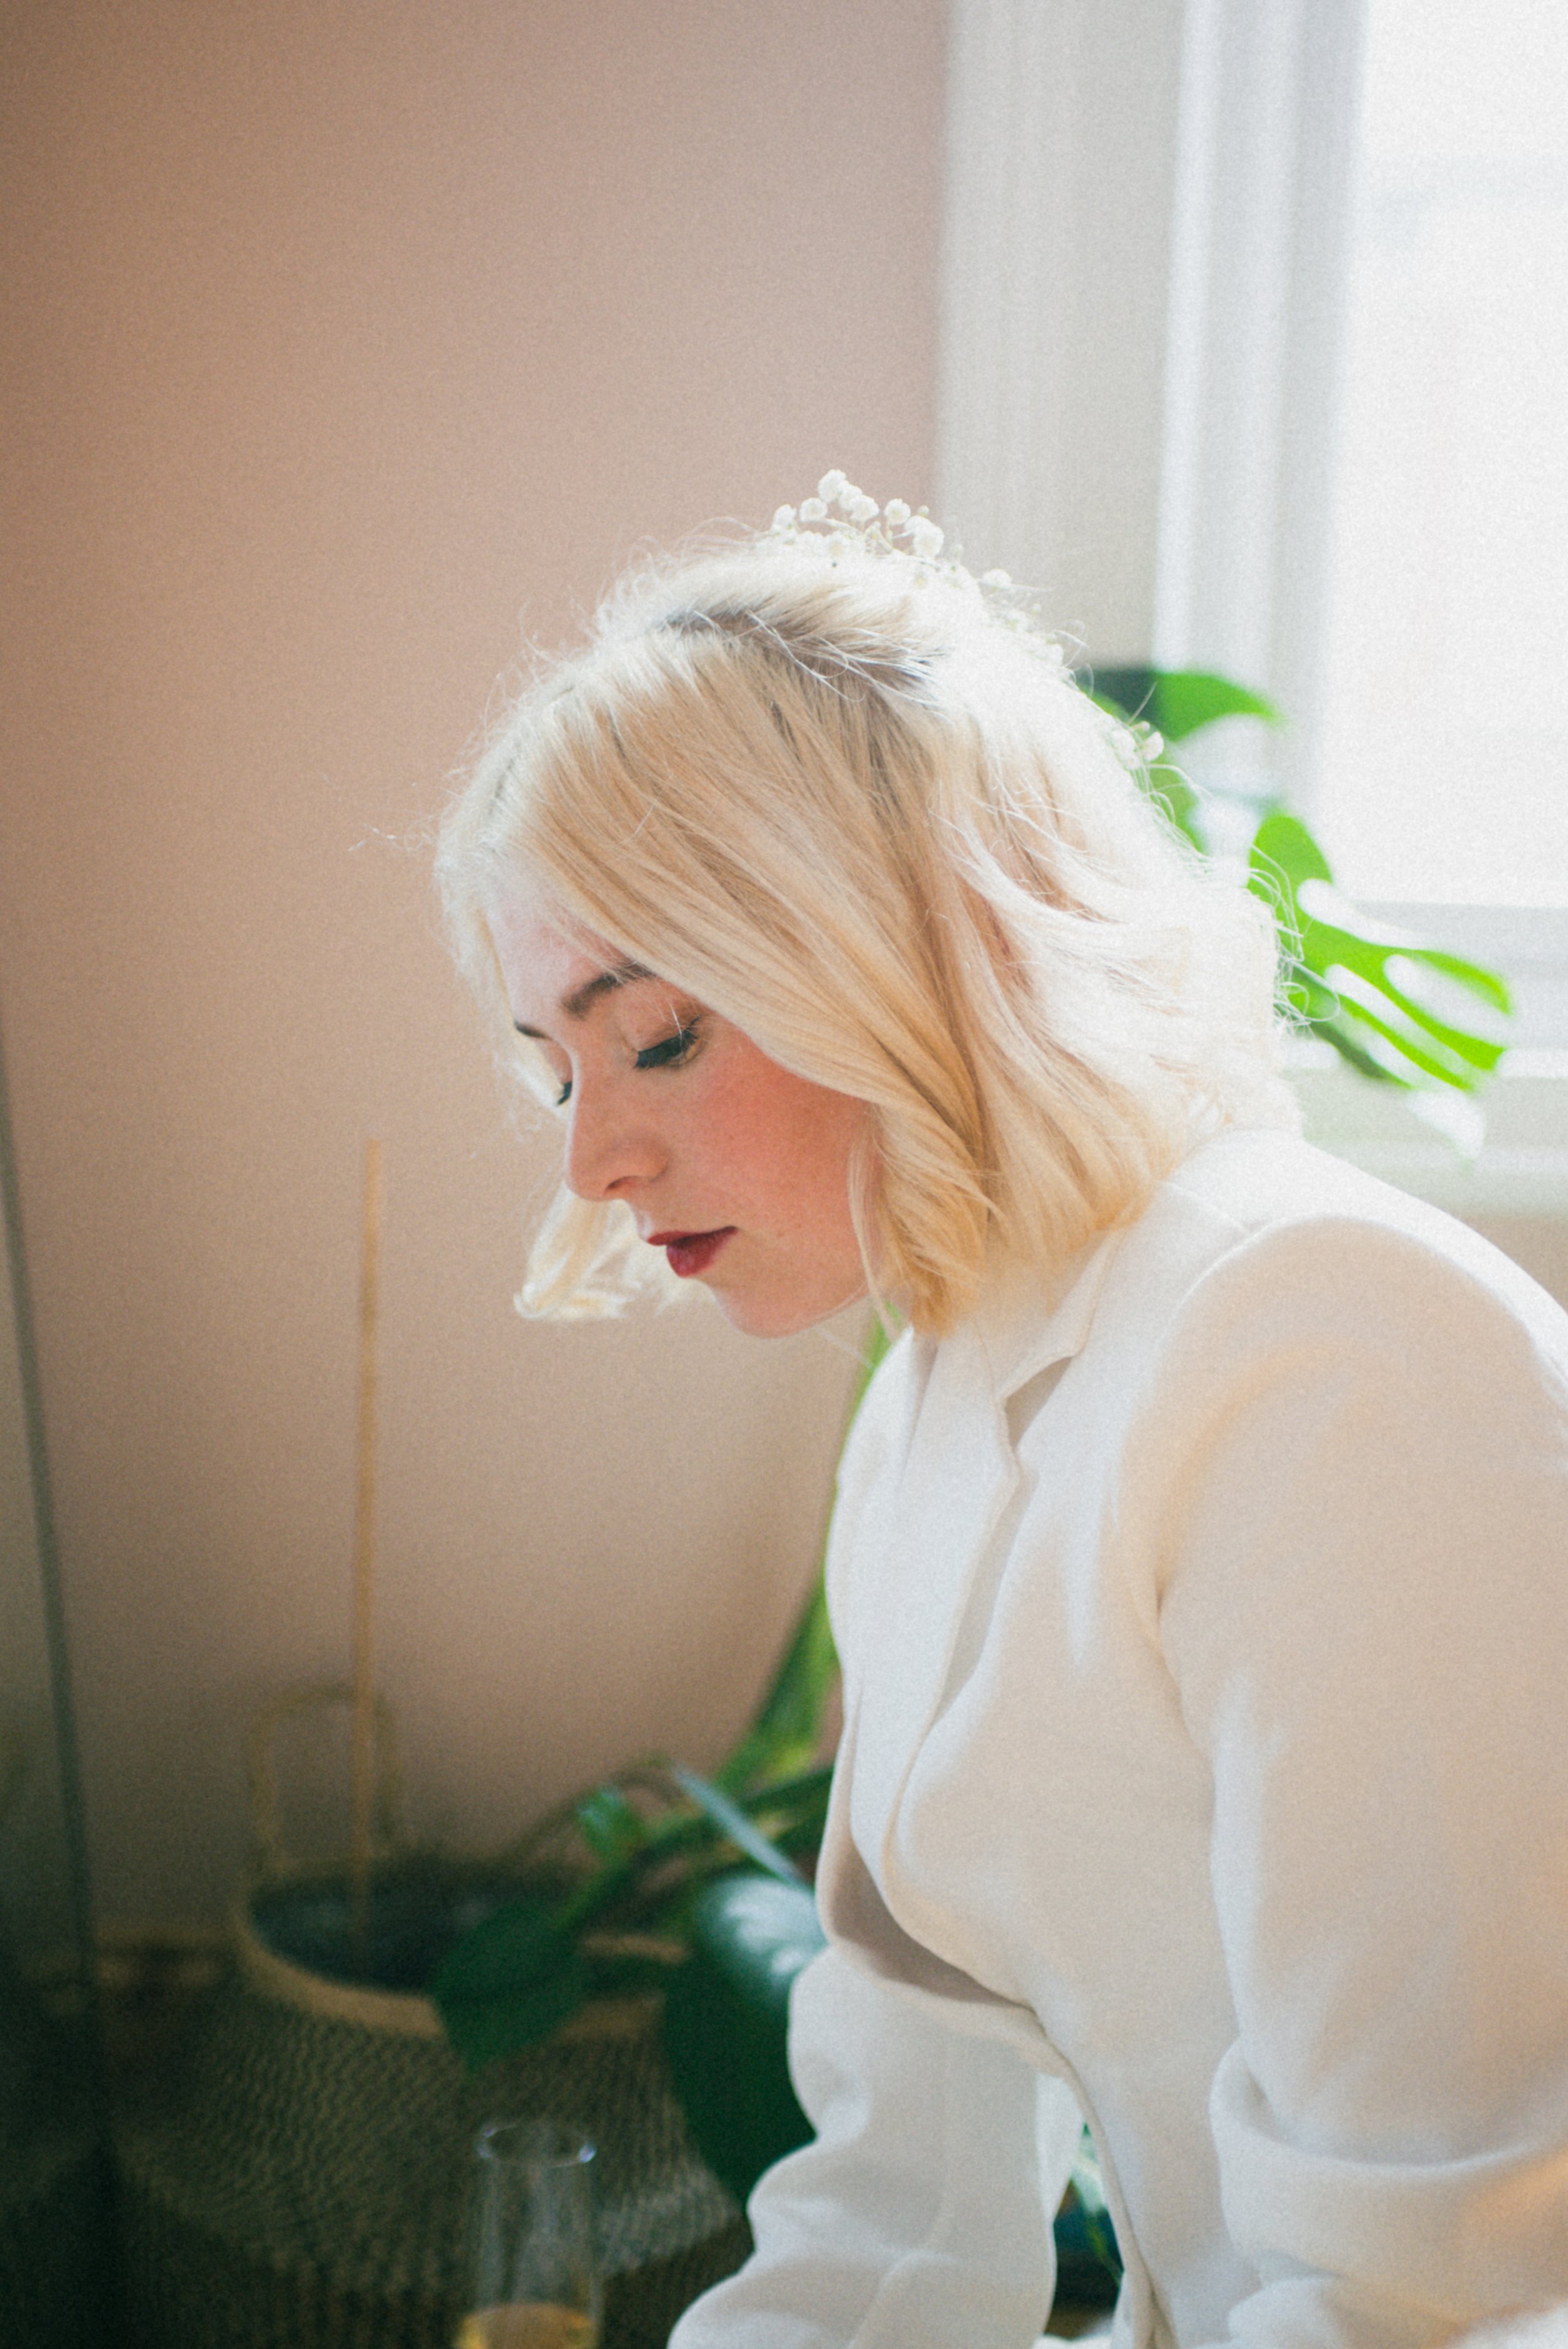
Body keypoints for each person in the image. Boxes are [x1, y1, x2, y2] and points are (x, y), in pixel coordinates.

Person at [438, 475, 1568, 2349]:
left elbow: (1442, 2293)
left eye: (657, 1035)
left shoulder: (1326, 1354)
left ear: (901, 945)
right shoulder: (928, 1413)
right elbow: (898, 2212)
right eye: (553, 1064)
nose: (597, 1158)